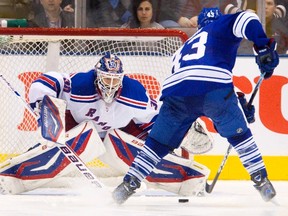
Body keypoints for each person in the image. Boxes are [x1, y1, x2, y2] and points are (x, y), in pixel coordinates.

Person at [112, 8, 279, 204]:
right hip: (213, 87)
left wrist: (236, 105)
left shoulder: (183, 48)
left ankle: (128, 184)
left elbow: (195, 79)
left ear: (199, 25)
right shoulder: (222, 24)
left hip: (176, 92)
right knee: (240, 136)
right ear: (217, 19)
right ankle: (262, 181)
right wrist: (262, 47)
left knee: (157, 144)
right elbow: (248, 17)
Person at [0, 53, 212, 195]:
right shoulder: (80, 85)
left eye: (114, 79)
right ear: (96, 75)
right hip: (79, 130)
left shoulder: (135, 94)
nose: (110, 84)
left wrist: (179, 132)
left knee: (131, 146)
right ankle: (14, 176)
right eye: (106, 78)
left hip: (118, 136)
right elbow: (48, 80)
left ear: (122, 78)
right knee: (83, 136)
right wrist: (41, 103)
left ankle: (187, 178)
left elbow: (154, 120)